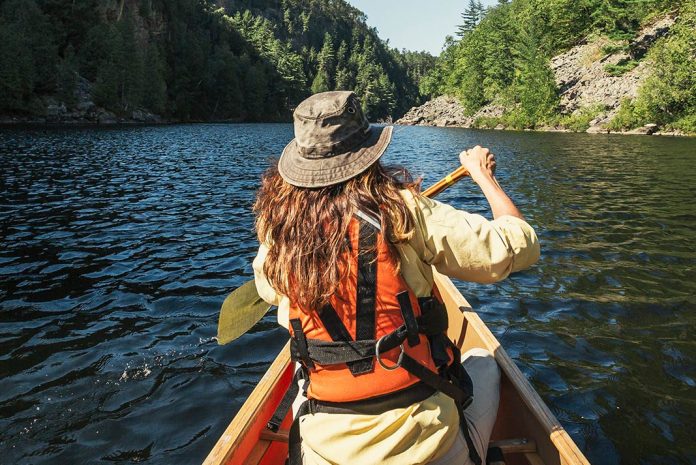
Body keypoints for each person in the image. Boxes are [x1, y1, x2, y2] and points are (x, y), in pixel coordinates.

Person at [252, 91, 540, 465]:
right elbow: (520, 246)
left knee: (299, 366)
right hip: (425, 447)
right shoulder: (403, 210)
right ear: (368, 153)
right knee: (485, 360)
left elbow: (267, 289)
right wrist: (484, 178)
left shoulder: (279, 230)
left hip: (328, 450)